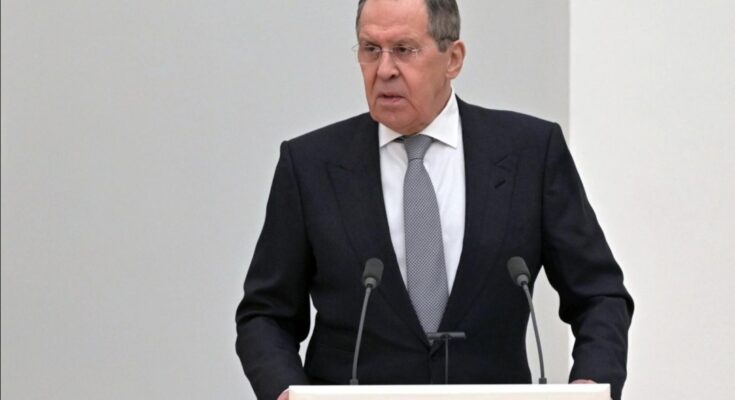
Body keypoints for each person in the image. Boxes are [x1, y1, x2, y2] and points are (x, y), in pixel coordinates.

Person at [235, 1, 634, 400]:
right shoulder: (310, 165)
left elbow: (599, 294)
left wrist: (592, 382)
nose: (384, 69)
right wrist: (284, 391)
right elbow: (265, 315)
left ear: (453, 59)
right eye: (371, 49)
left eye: (404, 50)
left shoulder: (530, 153)